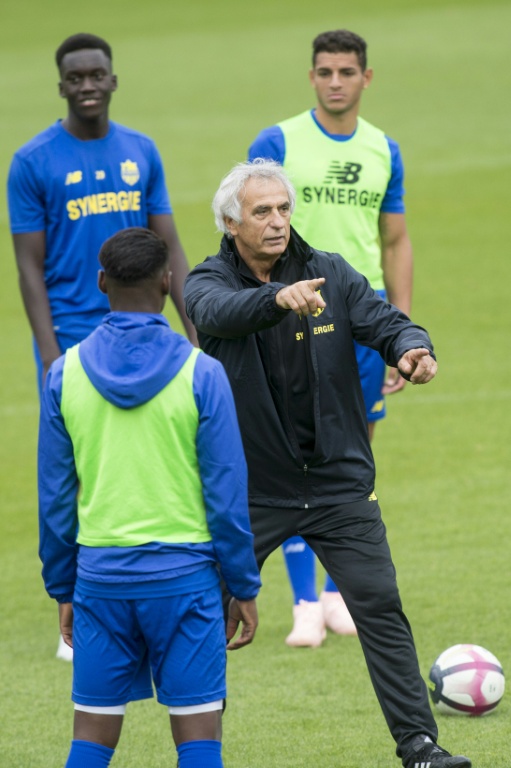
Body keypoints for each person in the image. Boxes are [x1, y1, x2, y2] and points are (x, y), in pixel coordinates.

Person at [183, 160, 471, 768]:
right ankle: (200, 754)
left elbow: (383, 319)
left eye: (283, 208)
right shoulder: (207, 281)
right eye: (262, 211)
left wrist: (413, 347)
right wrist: (274, 299)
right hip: (251, 492)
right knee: (205, 615)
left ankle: (419, 745)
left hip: (339, 486)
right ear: (231, 221)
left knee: (380, 607)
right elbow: (215, 316)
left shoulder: (330, 273)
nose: (277, 221)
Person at [38, 227, 260, 768]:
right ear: (168, 282)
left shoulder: (63, 375)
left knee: (90, 740)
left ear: (100, 282)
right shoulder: (202, 373)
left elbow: (55, 500)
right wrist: (243, 584)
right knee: (199, 740)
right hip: (185, 584)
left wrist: (63, 586)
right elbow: (226, 492)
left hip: (101, 582)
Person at [8, 32, 197, 660]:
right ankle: (73, 602)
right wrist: (48, 351)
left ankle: (149, 594)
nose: (87, 85)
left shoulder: (140, 152)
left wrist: (197, 329)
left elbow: (168, 247)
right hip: (74, 339)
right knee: (69, 473)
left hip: (145, 330)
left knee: (142, 463)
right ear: (61, 85)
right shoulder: (33, 162)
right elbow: (29, 266)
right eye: (75, 77)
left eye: (97, 75)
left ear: (113, 80)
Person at [248, 29, 413, 647]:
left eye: (347, 71)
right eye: (325, 71)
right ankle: (303, 602)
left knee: (354, 456)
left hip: (361, 320)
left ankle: (341, 593)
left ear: (365, 78)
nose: (336, 81)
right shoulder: (279, 141)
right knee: (293, 454)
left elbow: (394, 240)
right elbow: (248, 217)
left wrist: (399, 329)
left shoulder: (383, 150)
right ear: (312, 77)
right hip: (293, 316)